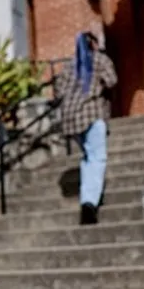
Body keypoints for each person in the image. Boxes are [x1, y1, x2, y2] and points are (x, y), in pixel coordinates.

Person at [55, 26, 117, 225]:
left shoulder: (70, 66)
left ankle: (88, 196)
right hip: (92, 114)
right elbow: (112, 81)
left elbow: (58, 91)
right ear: (93, 44)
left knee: (88, 157)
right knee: (97, 158)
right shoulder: (99, 59)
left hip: (71, 120)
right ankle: (89, 204)